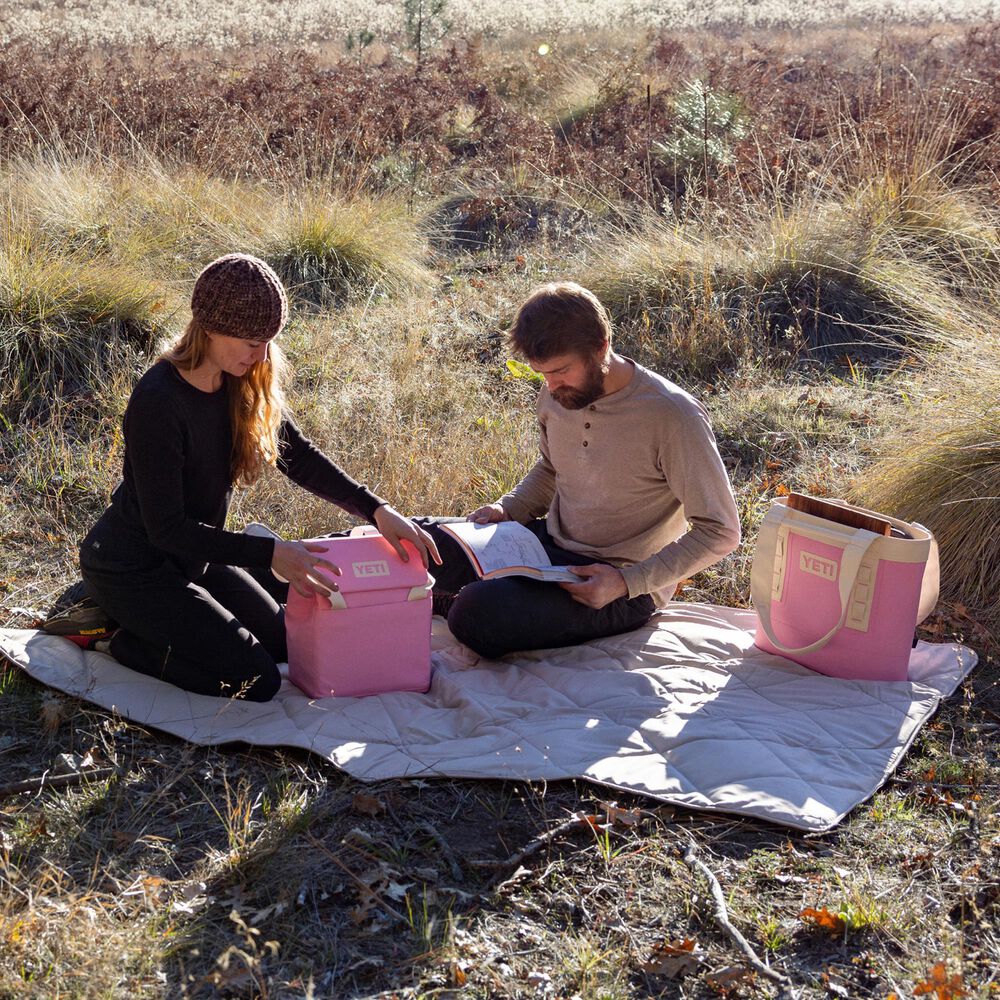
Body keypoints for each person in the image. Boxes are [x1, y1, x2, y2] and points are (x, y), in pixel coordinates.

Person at [78, 253, 439, 702]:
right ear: (208, 327)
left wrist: (378, 511)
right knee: (256, 680)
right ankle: (118, 636)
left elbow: (298, 457)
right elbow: (165, 529)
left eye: (269, 340)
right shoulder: (159, 400)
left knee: (284, 644)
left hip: (194, 558)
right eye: (252, 340)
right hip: (133, 565)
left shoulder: (240, 378)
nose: (262, 353)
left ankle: (155, 621)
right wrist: (269, 553)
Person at [428, 281, 741, 659]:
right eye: (541, 373)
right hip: (544, 546)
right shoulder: (557, 393)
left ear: (601, 348)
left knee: (477, 613)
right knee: (414, 542)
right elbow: (551, 468)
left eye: (561, 371)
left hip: (616, 582)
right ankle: (436, 591)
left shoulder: (672, 415)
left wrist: (627, 582)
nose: (552, 385)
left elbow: (720, 531)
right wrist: (508, 508)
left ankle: (443, 600)